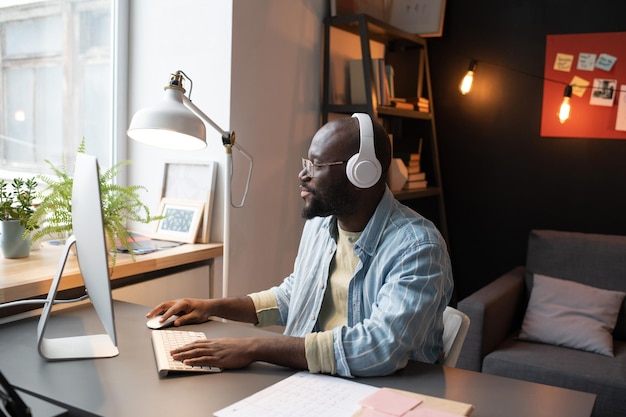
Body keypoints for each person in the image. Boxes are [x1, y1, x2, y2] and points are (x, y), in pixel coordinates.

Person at [147, 113, 453, 377]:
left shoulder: (418, 248)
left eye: (317, 166)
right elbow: (294, 295)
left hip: (385, 394)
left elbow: (379, 346)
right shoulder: (321, 226)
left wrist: (256, 346)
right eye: (306, 162)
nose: (302, 175)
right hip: (313, 382)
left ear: (362, 174)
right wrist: (212, 307)